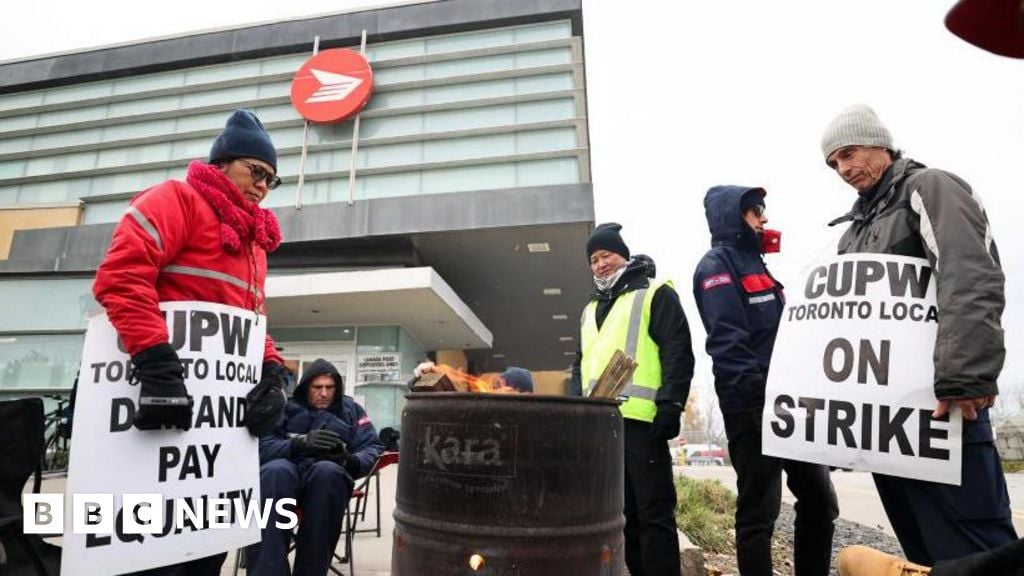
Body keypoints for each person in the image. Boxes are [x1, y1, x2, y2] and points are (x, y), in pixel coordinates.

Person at [92, 109, 290, 575]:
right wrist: (157, 364)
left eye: (271, 179)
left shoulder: (253, 244)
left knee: (205, 552)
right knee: (146, 553)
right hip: (152, 399)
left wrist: (273, 371)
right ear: (221, 163)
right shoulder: (175, 199)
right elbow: (122, 278)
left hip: (214, 433)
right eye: (255, 171)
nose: (263, 186)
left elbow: (249, 319)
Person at [820, 104, 1018, 565]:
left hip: (944, 405)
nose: (843, 169)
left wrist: (964, 378)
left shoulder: (930, 188)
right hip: (886, 424)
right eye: (833, 163)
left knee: (978, 545)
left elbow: (969, 278)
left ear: (880, 144)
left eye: (849, 153)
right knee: (923, 551)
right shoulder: (852, 233)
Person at [693, 186, 838, 576]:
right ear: (733, 216)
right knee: (759, 511)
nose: (765, 218)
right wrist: (756, 403)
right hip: (752, 406)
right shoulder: (716, 266)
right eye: (756, 210)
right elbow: (728, 341)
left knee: (820, 501)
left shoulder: (758, 266)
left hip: (790, 402)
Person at [569, 223, 695, 576]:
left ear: (623, 255)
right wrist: (576, 409)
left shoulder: (654, 293)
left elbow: (677, 351)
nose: (600, 264)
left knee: (655, 514)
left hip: (643, 424)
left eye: (606, 255)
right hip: (602, 429)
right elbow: (580, 364)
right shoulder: (589, 309)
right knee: (625, 517)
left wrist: (671, 404)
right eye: (593, 260)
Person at [248, 358, 384, 576]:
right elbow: (261, 446)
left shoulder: (351, 410)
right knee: (275, 471)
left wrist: (350, 460)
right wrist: (297, 444)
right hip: (285, 478)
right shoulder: (284, 407)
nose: (324, 393)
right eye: (317, 387)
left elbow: (372, 447)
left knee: (328, 472)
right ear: (305, 387)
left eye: (330, 387)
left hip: (324, 483)